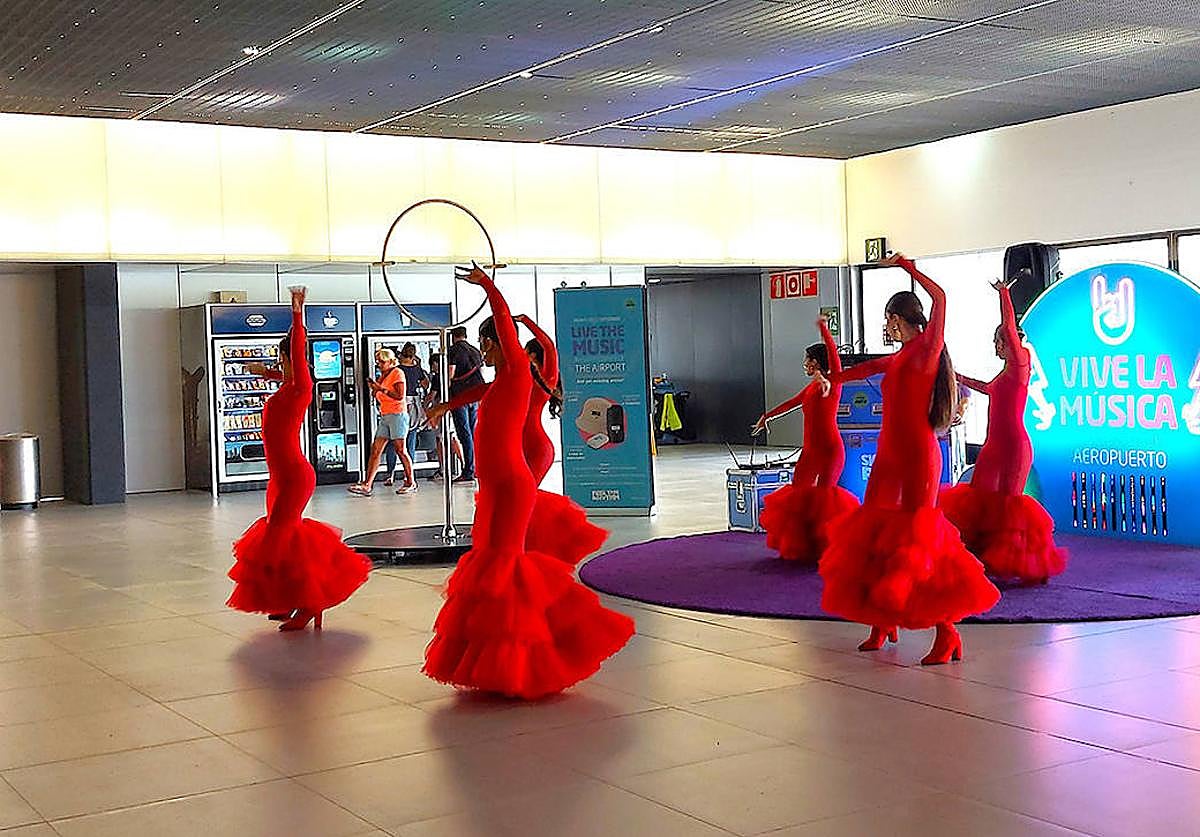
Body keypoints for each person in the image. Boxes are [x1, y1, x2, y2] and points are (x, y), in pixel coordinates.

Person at [423, 263, 633, 699]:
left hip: (512, 484)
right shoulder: (502, 381)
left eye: (487, 344)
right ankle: (491, 659)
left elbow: (521, 333)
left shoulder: (520, 369)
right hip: (494, 487)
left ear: (496, 344)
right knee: (488, 566)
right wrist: (445, 406)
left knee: (506, 566)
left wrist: (489, 287)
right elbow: (477, 394)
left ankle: (527, 662)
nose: (484, 351)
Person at [821, 253, 999, 665]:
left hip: (919, 455)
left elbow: (941, 298)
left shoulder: (928, 348)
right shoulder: (900, 356)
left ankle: (947, 631)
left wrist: (908, 267)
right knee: (875, 534)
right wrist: (832, 378)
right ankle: (882, 620)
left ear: (899, 317)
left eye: (888, 319)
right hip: (889, 455)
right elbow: (866, 367)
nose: (886, 327)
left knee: (920, 541)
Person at [227, 286, 371, 631]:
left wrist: (297, 313)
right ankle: (289, 599)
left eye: (285, 359)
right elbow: (287, 373)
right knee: (281, 539)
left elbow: (298, 358)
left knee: (280, 536)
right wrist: (265, 373)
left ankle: (309, 604)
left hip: (294, 475)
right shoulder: (287, 386)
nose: (283, 364)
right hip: (279, 477)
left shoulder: (301, 389)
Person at [428, 314, 607, 566]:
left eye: (527, 353)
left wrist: (526, 321)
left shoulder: (545, 379)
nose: (522, 356)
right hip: (517, 448)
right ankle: (510, 547)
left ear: (535, 356)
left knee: (518, 503)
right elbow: (483, 390)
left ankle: (522, 552)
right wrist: (446, 406)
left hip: (535, 449)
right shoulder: (512, 380)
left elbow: (549, 347)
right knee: (514, 504)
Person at [940, 279, 1067, 584]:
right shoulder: (1005, 372)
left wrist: (1004, 295)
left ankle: (1022, 563)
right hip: (993, 446)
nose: (997, 347)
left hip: (1014, 447)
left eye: (1000, 342)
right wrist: (957, 376)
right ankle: (978, 555)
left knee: (1010, 504)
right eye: (996, 343)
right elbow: (987, 388)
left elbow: (1010, 327)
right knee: (980, 498)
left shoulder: (1021, 362)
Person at [752, 318, 858, 562]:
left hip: (830, 450)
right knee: (798, 494)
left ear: (817, 362)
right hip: (810, 451)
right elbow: (791, 403)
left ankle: (825, 547)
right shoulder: (810, 389)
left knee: (824, 498)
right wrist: (766, 417)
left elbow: (835, 359)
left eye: (808, 360)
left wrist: (824, 330)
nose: (805, 364)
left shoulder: (834, 383)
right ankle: (802, 544)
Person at [349, 348, 414, 496]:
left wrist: (381, 389)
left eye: (382, 362)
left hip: (397, 415)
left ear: (391, 361)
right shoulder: (383, 376)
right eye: (377, 361)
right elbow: (377, 393)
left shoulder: (397, 373)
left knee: (400, 449)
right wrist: (375, 388)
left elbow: (400, 395)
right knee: (376, 449)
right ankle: (367, 484)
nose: (379, 364)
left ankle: (410, 481)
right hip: (385, 415)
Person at [382, 342, 429, 492]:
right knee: (410, 440)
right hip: (413, 405)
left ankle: (390, 474)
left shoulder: (396, 370)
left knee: (393, 441)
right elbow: (426, 384)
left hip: (398, 405)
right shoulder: (417, 369)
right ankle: (408, 476)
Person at [446, 325, 485, 482]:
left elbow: (450, 373)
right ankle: (477, 468)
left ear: (453, 336)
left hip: (460, 396)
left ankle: (469, 470)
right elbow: (481, 373)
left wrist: (446, 393)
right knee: (473, 432)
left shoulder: (453, 351)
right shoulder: (475, 351)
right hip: (475, 396)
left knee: (464, 433)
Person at [427, 351, 464, 480]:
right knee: (452, 437)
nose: (432, 368)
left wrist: (425, 407)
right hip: (451, 406)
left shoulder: (437, 377)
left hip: (440, 408)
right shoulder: (450, 375)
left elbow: (432, 395)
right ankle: (464, 463)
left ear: (436, 363)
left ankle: (443, 468)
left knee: (440, 438)